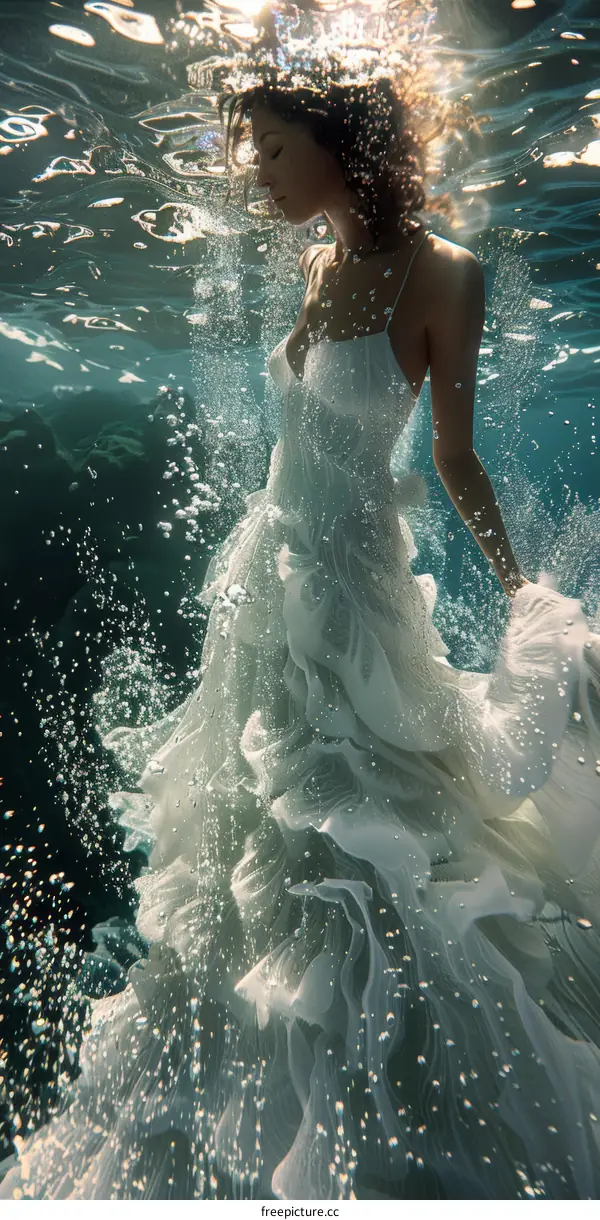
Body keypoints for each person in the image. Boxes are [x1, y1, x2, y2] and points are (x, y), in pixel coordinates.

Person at [2, 71, 600, 1203]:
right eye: (254, 155)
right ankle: (264, 1079)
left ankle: (385, 1111)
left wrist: (523, 590)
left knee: (373, 838)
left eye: (274, 152)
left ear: (344, 145)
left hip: (358, 601)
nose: (255, 176)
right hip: (273, 590)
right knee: (262, 853)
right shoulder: (317, 261)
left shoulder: (447, 274)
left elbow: (452, 459)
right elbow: (301, 419)